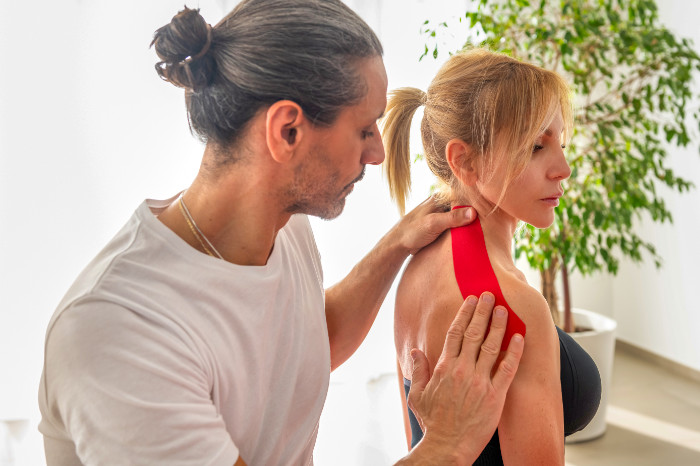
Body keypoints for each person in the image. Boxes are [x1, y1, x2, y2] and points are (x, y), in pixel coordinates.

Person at [38, 2, 525, 465]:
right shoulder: (122, 333)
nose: (378, 153)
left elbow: (305, 344)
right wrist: (444, 448)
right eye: (364, 129)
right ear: (287, 130)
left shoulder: (284, 225)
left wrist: (396, 245)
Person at [382, 49, 601, 465]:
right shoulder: (509, 307)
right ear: (464, 161)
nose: (564, 168)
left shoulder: (416, 264)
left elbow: (417, 440)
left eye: (561, 142)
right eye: (536, 147)